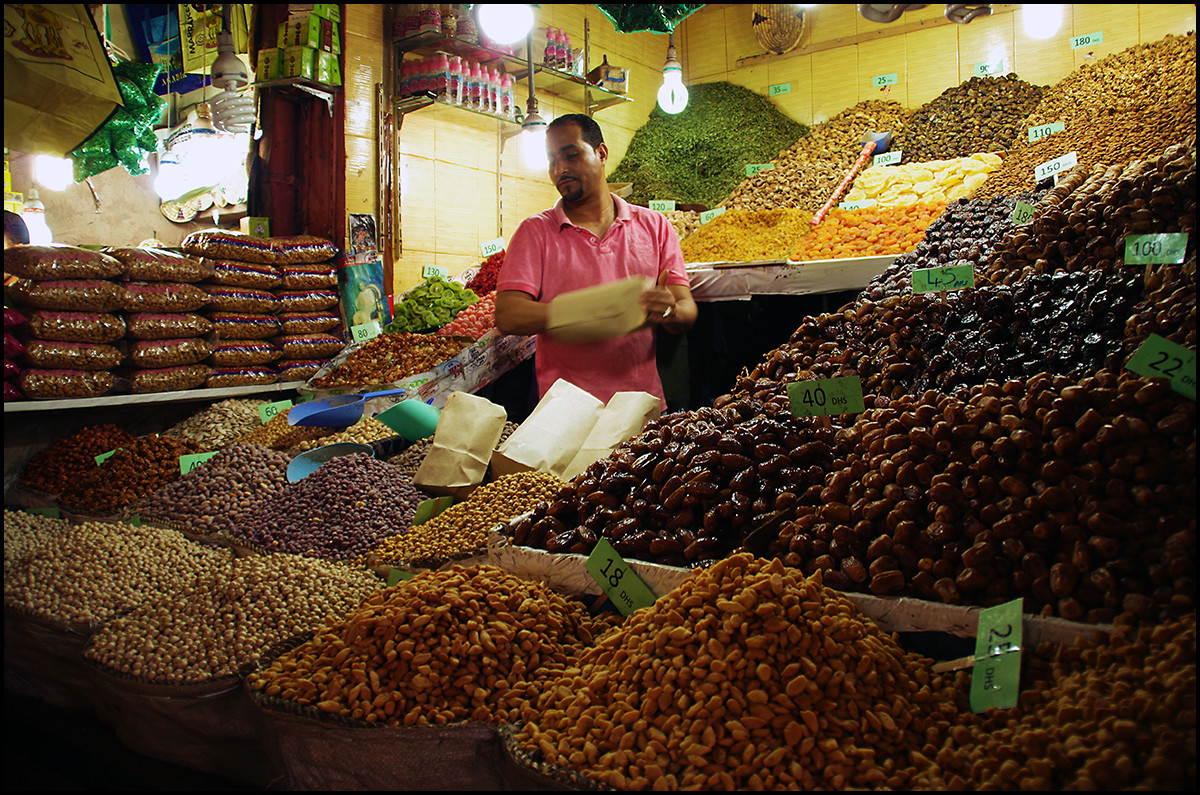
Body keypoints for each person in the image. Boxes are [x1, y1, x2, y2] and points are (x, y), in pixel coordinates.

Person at [494, 113, 697, 408]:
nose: (560, 168)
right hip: (564, 409)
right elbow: (509, 315)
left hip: (639, 404)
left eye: (571, 155)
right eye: (552, 160)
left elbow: (686, 307)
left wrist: (668, 311)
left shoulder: (654, 226)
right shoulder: (535, 231)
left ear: (601, 153)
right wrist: (593, 311)